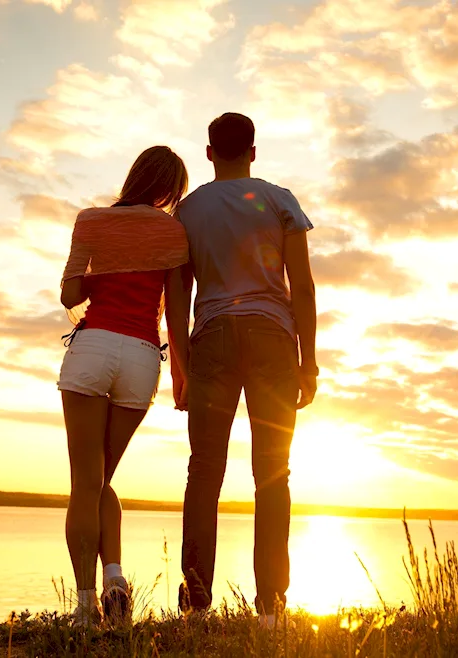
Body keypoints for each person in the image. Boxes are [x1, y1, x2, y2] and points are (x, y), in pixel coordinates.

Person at [166, 112, 319, 626]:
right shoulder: (279, 200)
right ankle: (272, 610)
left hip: (211, 338)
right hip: (274, 339)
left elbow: (177, 295)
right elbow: (303, 285)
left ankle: (195, 607)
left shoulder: (186, 211)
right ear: (254, 150)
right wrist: (309, 362)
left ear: (209, 153)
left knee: (204, 472)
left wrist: (181, 367)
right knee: (272, 475)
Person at [57, 146, 190, 627]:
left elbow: (70, 293)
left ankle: (87, 608)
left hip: (92, 350)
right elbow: (176, 311)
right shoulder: (174, 231)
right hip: (140, 357)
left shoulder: (91, 220)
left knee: (84, 485)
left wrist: (102, 275)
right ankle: (114, 578)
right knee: (101, 481)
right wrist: (182, 376)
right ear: (171, 190)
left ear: (134, 176)